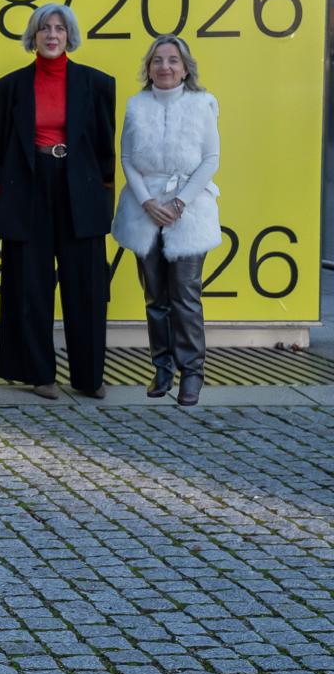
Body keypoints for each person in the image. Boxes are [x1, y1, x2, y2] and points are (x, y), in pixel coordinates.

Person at [0, 3, 116, 400]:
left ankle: (89, 377)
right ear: (33, 36)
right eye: (44, 28)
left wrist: (103, 195)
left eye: (59, 28)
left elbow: (106, 149)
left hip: (80, 188)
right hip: (28, 187)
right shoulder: (11, 86)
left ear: (69, 36)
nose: (52, 35)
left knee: (86, 284)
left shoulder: (97, 84)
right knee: (30, 283)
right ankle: (39, 374)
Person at [112, 34, 219, 406]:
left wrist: (180, 202)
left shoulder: (202, 105)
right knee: (155, 295)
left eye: (173, 60)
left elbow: (211, 159)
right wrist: (146, 201)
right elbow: (127, 158)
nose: (165, 67)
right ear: (149, 67)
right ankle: (162, 367)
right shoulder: (136, 105)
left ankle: (192, 373)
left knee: (185, 296)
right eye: (158, 60)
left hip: (188, 212)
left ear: (185, 68)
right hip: (145, 212)